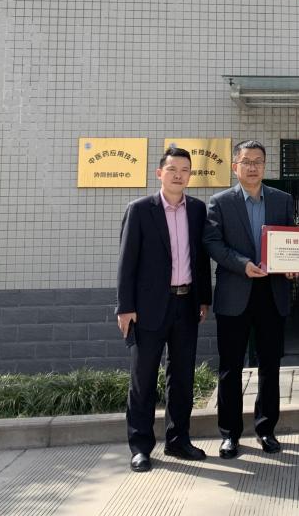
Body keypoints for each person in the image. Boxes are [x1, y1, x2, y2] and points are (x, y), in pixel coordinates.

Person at [116, 147, 212, 473]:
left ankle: (178, 439)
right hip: (147, 309)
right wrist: (125, 307)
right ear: (160, 173)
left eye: (185, 170)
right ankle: (140, 447)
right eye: (172, 169)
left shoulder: (197, 210)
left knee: (182, 377)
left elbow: (200, 258)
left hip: (186, 304)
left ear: (190, 175)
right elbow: (127, 262)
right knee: (143, 378)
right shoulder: (140, 210)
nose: (178, 175)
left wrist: (203, 298)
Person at [204, 140, 295, 459]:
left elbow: (291, 239)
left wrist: (293, 266)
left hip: (272, 293)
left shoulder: (282, 199)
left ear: (265, 166)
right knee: (231, 368)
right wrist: (242, 264)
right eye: (246, 161)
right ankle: (230, 434)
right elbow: (213, 243)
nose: (253, 167)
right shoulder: (220, 202)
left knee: (270, 366)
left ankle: (266, 429)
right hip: (235, 293)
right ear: (235, 167)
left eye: (258, 161)